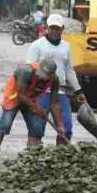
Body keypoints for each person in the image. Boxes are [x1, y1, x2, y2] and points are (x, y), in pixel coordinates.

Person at [0, 58, 66, 163]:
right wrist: (37, 108)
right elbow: (20, 95)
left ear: (51, 75)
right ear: (39, 68)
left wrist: (60, 125)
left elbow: (54, 103)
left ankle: (31, 159)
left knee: (37, 129)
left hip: (30, 99)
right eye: (41, 73)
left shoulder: (54, 79)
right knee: (5, 125)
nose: (42, 77)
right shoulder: (26, 71)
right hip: (13, 97)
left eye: (46, 75)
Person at [26, 14, 85, 144]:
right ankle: (33, 154)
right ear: (47, 28)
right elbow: (30, 69)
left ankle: (61, 156)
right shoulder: (37, 45)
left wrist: (78, 90)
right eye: (52, 28)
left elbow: (69, 70)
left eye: (57, 28)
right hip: (41, 92)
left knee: (66, 128)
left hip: (60, 92)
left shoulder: (66, 47)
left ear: (62, 28)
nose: (54, 31)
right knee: (37, 127)